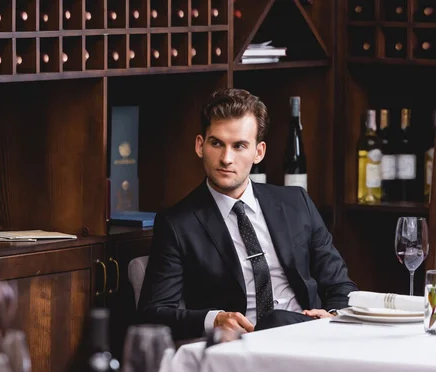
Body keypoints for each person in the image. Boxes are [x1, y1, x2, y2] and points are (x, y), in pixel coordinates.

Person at [137, 88, 358, 340]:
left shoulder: (296, 203)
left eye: (239, 146)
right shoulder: (178, 223)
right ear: (200, 145)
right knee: (274, 320)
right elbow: (153, 312)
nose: (226, 158)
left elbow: (340, 285)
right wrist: (215, 319)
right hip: (243, 346)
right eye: (216, 143)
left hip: (312, 336)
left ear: (258, 152)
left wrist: (332, 315)